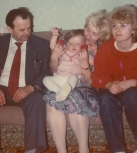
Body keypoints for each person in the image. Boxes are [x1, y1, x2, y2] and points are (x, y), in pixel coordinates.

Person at [0, 7, 52, 153]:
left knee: (38, 99)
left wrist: (31, 87)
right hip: (0, 87)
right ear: (9, 28)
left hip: (26, 89)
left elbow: (47, 72)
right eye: (22, 29)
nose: (27, 32)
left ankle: (31, 151)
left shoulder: (41, 45)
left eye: (29, 27)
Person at [91, 4, 137, 153]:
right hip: (111, 88)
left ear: (134, 29)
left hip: (134, 88)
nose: (117, 29)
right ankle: (117, 149)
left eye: (123, 25)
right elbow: (97, 75)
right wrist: (108, 84)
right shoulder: (106, 48)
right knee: (105, 99)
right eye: (114, 25)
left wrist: (132, 82)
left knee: (131, 95)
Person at [43, 10, 111, 153]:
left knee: (75, 97)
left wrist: (85, 64)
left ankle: (83, 149)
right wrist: (54, 57)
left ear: (102, 36)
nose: (88, 36)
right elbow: (53, 69)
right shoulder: (74, 40)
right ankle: (62, 151)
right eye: (87, 30)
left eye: (94, 34)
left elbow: (95, 80)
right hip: (61, 82)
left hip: (83, 83)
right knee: (52, 100)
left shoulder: (99, 49)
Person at [43, 28, 90, 102]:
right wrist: (54, 36)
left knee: (73, 77)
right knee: (46, 79)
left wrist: (94, 51)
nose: (74, 46)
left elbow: (94, 62)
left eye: (78, 44)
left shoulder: (83, 54)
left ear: (83, 45)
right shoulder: (64, 50)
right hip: (59, 77)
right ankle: (59, 91)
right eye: (71, 44)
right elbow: (52, 47)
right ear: (66, 44)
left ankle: (66, 89)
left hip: (74, 79)